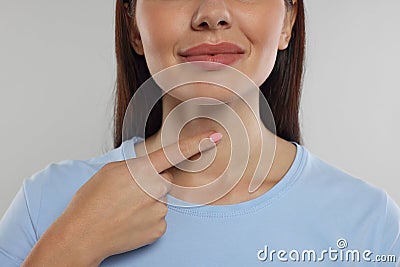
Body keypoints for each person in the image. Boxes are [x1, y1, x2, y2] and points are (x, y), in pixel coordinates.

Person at [1, 0, 399, 266]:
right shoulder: (46, 204)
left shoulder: (370, 223)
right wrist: (71, 247)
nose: (212, 13)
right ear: (133, 25)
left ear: (288, 22)